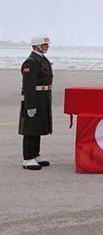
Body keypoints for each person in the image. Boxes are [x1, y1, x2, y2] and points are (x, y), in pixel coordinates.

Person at [19, 35, 54, 170]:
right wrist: (30, 105)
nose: (47, 47)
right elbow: (28, 86)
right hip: (34, 98)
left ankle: (35, 154)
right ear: (37, 46)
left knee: (38, 126)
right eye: (44, 45)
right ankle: (27, 158)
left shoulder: (40, 59)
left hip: (42, 97)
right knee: (30, 128)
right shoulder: (31, 62)